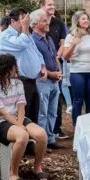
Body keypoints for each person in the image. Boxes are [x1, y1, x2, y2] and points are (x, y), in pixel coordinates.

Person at [0, 54, 50, 180]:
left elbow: (21, 107)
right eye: (14, 67)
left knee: (41, 134)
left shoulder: (18, 83)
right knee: (22, 136)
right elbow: (3, 113)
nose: (16, 69)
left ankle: (37, 168)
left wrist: (20, 123)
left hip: (17, 119)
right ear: (8, 69)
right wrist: (20, 127)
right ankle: (13, 174)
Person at [0, 8, 45, 123]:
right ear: (13, 21)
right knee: (23, 116)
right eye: (22, 20)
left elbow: (36, 52)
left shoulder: (25, 34)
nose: (26, 23)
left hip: (33, 81)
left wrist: (42, 66)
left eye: (27, 20)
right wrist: (25, 28)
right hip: (19, 82)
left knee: (34, 114)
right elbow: (21, 44)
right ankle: (25, 139)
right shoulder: (5, 36)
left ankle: (34, 139)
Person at [61, 10, 90, 126]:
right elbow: (65, 56)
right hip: (77, 72)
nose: (86, 21)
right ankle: (77, 127)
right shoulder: (70, 36)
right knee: (78, 101)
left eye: (87, 18)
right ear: (77, 21)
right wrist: (74, 44)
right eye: (83, 19)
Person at [32, 9, 62, 148]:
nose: (47, 22)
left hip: (55, 80)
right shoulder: (32, 41)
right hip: (42, 81)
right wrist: (52, 74)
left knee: (53, 111)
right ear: (35, 24)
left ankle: (50, 139)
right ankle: (41, 141)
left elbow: (54, 57)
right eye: (44, 21)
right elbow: (36, 64)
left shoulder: (48, 38)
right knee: (42, 113)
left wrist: (59, 71)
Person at [39, 0, 68, 140]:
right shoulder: (36, 30)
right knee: (43, 108)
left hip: (56, 64)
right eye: (49, 4)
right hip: (43, 73)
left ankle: (54, 132)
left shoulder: (58, 24)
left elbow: (62, 43)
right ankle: (43, 137)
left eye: (53, 4)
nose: (52, 6)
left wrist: (58, 60)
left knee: (55, 104)